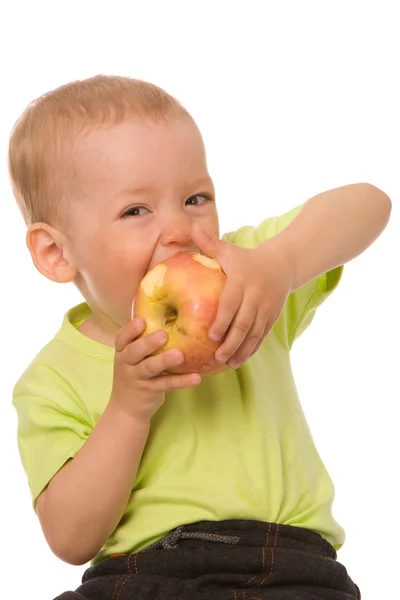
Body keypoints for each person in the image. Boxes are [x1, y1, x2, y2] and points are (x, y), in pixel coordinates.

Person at [9, 74, 391, 600]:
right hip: (142, 574)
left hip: (291, 567)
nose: (180, 229)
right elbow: (71, 539)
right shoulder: (50, 379)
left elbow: (369, 204)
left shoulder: (244, 281)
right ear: (57, 253)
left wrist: (279, 264)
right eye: (136, 211)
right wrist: (127, 409)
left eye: (195, 197)